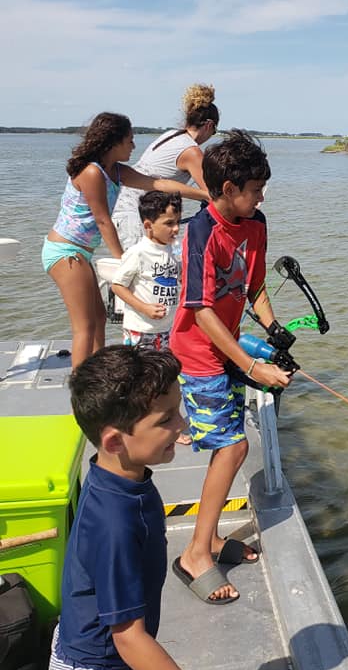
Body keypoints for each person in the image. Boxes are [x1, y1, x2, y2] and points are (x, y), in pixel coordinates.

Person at [47, 345, 242, 670]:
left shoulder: (122, 475)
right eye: (167, 419)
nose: (184, 426)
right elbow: (128, 637)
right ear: (115, 440)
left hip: (95, 657)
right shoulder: (114, 523)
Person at [169, 129, 291, 604]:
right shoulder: (202, 232)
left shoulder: (254, 223)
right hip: (199, 352)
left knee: (229, 445)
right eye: (255, 189)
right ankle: (195, 554)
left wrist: (273, 328)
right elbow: (200, 310)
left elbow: (255, 287)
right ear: (227, 190)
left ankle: (213, 539)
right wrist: (251, 366)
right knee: (233, 448)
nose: (261, 197)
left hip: (227, 347)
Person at [42, 112, 208, 369]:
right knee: (84, 326)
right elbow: (103, 220)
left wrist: (205, 194)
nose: (133, 146)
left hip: (80, 252)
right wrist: (123, 259)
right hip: (65, 251)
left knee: (99, 317)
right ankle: (82, 390)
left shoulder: (115, 171)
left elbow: (158, 183)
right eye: (129, 140)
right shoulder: (91, 172)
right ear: (112, 142)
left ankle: (98, 374)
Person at [112, 84, 219, 249]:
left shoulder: (171, 135)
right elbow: (212, 193)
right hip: (136, 216)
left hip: (122, 209)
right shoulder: (192, 152)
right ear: (209, 125)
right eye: (214, 131)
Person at [111, 190, 183, 353]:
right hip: (141, 328)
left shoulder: (172, 250)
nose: (176, 229)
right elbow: (117, 286)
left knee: (164, 369)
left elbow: (180, 279)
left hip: (167, 327)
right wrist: (144, 307)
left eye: (178, 222)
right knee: (141, 371)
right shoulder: (138, 253)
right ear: (148, 226)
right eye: (169, 223)